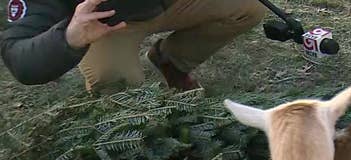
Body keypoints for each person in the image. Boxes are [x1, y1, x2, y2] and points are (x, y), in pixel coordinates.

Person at [1, 0, 266, 92]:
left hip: (169, 5)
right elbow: (20, 59)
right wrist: (69, 37)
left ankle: (171, 62)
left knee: (247, 8)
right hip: (103, 27)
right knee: (123, 97)